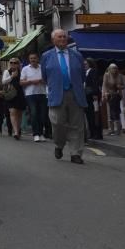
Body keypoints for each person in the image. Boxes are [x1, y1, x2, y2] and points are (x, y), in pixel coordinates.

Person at [41, 28, 88, 164]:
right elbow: (45, 76)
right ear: (53, 40)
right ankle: (59, 144)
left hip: (75, 93)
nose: (62, 39)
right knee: (57, 123)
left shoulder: (77, 55)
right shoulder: (46, 56)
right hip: (56, 94)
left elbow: (82, 75)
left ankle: (76, 153)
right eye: (59, 37)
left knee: (77, 125)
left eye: (64, 37)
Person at [21, 52, 48, 142]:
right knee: (34, 113)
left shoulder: (42, 68)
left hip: (42, 93)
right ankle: (36, 134)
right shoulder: (25, 69)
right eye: (31, 58)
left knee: (42, 115)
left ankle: (41, 133)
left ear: (38, 59)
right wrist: (32, 81)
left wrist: (42, 81)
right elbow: (21, 82)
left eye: (34, 58)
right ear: (29, 59)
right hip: (30, 94)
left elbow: (48, 80)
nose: (33, 60)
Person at [1, 58, 26, 139]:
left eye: (15, 62)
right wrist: (12, 76)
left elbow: (24, 81)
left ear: (18, 64)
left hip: (20, 93)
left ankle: (18, 130)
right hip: (11, 94)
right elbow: (3, 81)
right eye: (11, 62)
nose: (13, 64)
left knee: (19, 113)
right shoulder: (7, 71)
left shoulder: (22, 71)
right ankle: (15, 131)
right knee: (12, 111)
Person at [102, 64, 125, 135]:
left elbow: (124, 86)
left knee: (116, 111)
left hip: (117, 95)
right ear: (109, 69)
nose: (114, 70)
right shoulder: (106, 75)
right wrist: (105, 94)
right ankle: (111, 129)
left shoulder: (120, 76)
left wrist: (119, 86)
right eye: (112, 68)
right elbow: (104, 85)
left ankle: (117, 129)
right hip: (109, 95)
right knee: (110, 112)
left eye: (115, 68)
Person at [83, 57, 104, 141]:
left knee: (95, 114)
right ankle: (92, 133)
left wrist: (95, 93)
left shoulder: (93, 71)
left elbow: (95, 82)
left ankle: (97, 133)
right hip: (87, 96)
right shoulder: (85, 72)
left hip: (92, 96)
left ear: (90, 64)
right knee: (89, 115)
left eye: (85, 64)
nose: (84, 65)